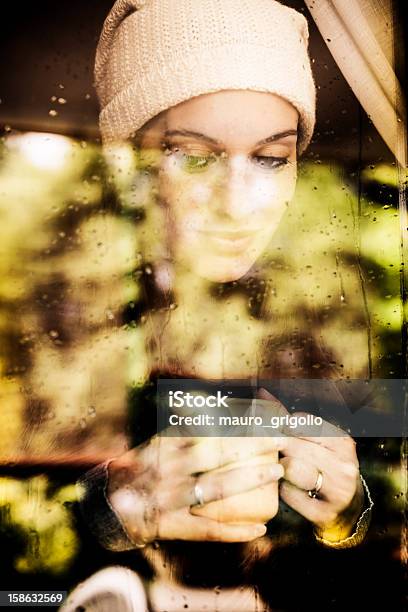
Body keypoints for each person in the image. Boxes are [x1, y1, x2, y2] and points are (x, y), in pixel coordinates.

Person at [63, 1, 374, 610]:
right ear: (135, 167)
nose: (239, 202)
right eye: (194, 156)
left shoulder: (332, 304)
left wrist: (348, 511)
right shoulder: (63, 305)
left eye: (270, 158)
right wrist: (110, 509)